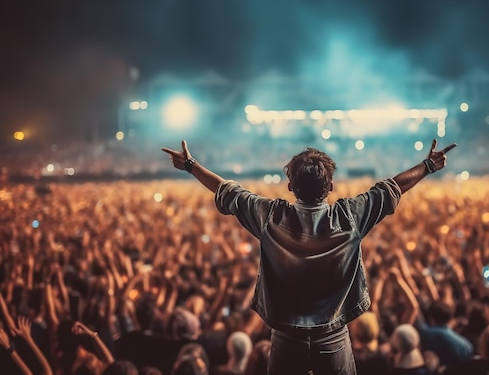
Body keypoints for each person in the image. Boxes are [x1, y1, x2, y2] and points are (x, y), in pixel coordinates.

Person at [161, 138, 456, 375]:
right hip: (333, 333)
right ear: (331, 187)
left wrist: (191, 165)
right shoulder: (349, 217)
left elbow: (228, 191)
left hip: (286, 336)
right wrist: (428, 165)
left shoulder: (271, 217)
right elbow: (392, 188)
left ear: (291, 186)